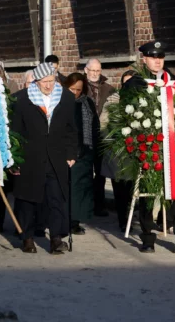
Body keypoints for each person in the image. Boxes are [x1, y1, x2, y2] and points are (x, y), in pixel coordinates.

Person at [132, 40, 175, 253]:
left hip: (172, 146)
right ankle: (147, 239)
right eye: (153, 57)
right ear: (144, 59)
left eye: (160, 57)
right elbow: (129, 113)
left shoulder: (172, 80)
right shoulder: (135, 82)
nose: (157, 61)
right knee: (147, 192)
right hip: (148, 146)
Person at [11, 62, 77, 255]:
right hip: (29, 157)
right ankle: (27, 238)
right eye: (44, 82)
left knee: (56, 198)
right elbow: (15, 132)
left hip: (56, 157)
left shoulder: (66, 97)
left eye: (52, 80)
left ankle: (56, 238)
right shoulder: (21, 99)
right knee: (27, 200)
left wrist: (71, 153)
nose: (48, 85)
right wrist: (14, 159)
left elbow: (71, 129)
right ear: (36, 81)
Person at [99, 70, 137, 232]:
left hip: (135, 151)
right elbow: (103, 123)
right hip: (117, 152)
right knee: (119, 188)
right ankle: (123, 219)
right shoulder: (113, 100)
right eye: (125, 83)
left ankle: (132, 216)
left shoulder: (140, 101)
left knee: (132, 188)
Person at [63, 73, 100, 235]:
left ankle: (75, 221)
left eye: (78, 89)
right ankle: (66, 220)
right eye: (72, 89)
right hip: (69, 152)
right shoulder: (62, 103)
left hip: (86, 151)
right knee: (70, 188)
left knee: (82, 188)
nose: (75, 93)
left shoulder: (87, 103)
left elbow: (95, 126)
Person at [84, 59, 116, 217]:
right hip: (84, 136)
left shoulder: (109, 89)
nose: (95, 74)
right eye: (92, 70)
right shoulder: (81, 87)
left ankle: (99, 205)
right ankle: (85, 204)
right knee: (85, 172)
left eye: (98, 71)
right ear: (86, 70)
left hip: (102, 136)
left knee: (100, 173)